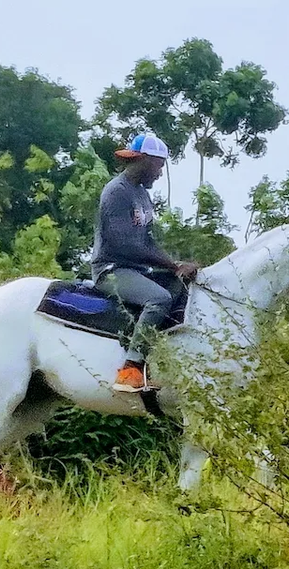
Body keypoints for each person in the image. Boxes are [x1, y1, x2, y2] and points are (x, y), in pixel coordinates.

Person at [91, 133, 198, 393]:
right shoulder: (117, 192)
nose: (160, 173)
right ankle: (131, 368)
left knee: (179, 288)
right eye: (160, 165)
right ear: (146, 160)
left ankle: (156, 358)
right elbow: (126, 244)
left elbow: (148, 242)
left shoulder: (141, 195)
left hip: (137, 269)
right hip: (112, 271)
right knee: (159, 299)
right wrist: (173, 265)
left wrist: (177, 266)